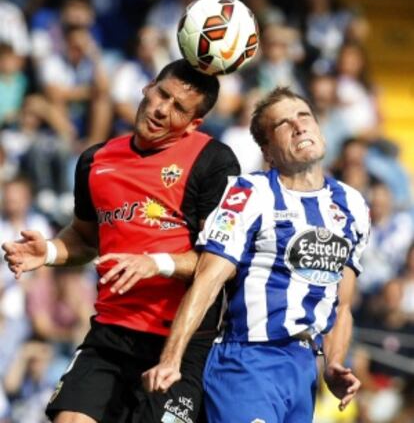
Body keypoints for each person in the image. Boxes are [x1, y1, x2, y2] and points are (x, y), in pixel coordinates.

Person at [2, 58, 241, 423]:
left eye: (178, 108)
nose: (162, 110)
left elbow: (216, 262)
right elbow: (85, 238)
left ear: (194, 124)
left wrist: (155, 262)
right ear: (147, 87)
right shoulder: (95, 160)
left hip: (179, 340)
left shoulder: (213, 161)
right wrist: (49, 250)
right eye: (162, 94)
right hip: (111, 333)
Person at [143, 87, 371, 423]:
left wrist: (333, 363)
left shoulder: (352, 204)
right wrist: (171, 358)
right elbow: (207, 279)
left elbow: (343, 303)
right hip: (248, 361)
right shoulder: (249, 193)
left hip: (303, 369)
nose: (299, 126)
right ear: (268, 152)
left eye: (304, 116)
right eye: (283, 123)